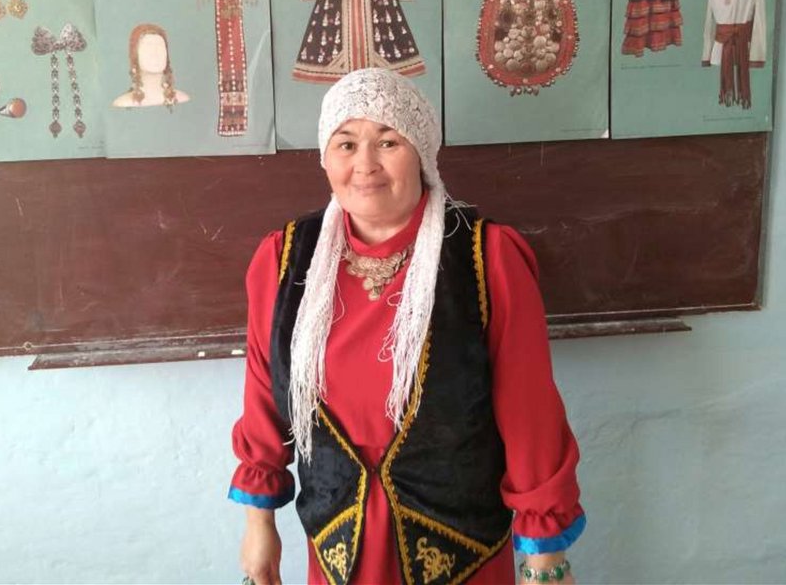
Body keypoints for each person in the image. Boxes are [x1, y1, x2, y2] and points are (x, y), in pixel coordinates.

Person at [229, 68, 584, 585]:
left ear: (421, 152)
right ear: (325, 157)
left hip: (461, 554)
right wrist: (258, 522)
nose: (365, 164)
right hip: (337, 550)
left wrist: (544, 558)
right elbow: (264, 394)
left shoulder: (486, 258)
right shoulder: (284, 259)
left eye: (387, 141)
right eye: (346, 144)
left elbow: (530, 415)